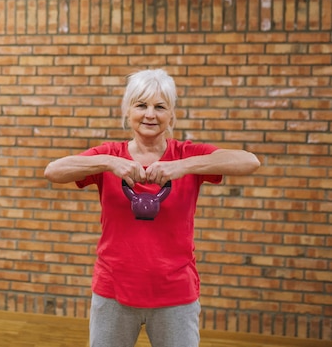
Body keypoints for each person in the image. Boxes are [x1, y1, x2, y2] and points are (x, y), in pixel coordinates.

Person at [44, 69, 260, 347]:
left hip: (175, 294)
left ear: (171, 115)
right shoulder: (109, 155)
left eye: (160, 107)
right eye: (141, 105)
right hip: (113, 291)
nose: (150, 114)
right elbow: (53, 171)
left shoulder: (186, 154)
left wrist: (183, 167)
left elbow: (249, 161)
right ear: (127, 111)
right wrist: (109, 163)